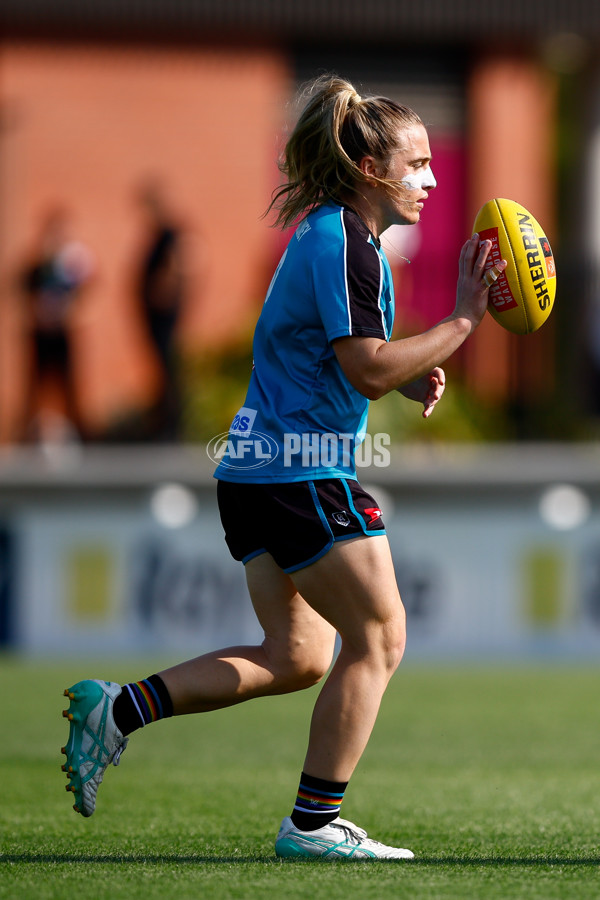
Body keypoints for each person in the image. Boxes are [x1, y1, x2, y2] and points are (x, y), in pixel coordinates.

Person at [61, 75, 506, 860]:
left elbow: (318, 350)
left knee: (297, 657)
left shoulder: (334, 233)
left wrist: (406, 367)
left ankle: (119, 711)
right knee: (381, 637)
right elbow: (362, 367)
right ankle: (312, 825)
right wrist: (465, 316)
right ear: (370, 169)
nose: (433, 181)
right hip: (299, 472)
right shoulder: (347, 243)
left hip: (259, 470)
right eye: (418, 163)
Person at [19, 207, 94, 444]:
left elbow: (86, 299)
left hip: (64, 336)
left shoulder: (72, 268)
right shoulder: (36, 268)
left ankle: (84, 439)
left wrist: (67, 312)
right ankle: (26, 437)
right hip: (41, 337)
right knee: (34, 390)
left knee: (70, 390)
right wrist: (39, 312)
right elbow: (22, 297)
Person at [134, 178, 186, 441]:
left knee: (169, 367)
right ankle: (162, 421)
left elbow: (185, 263)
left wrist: (165, 288)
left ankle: (172, 426)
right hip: (155, 316)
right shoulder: (158, 236)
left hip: (165, 316)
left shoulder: (171, 234)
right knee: (161, 368)